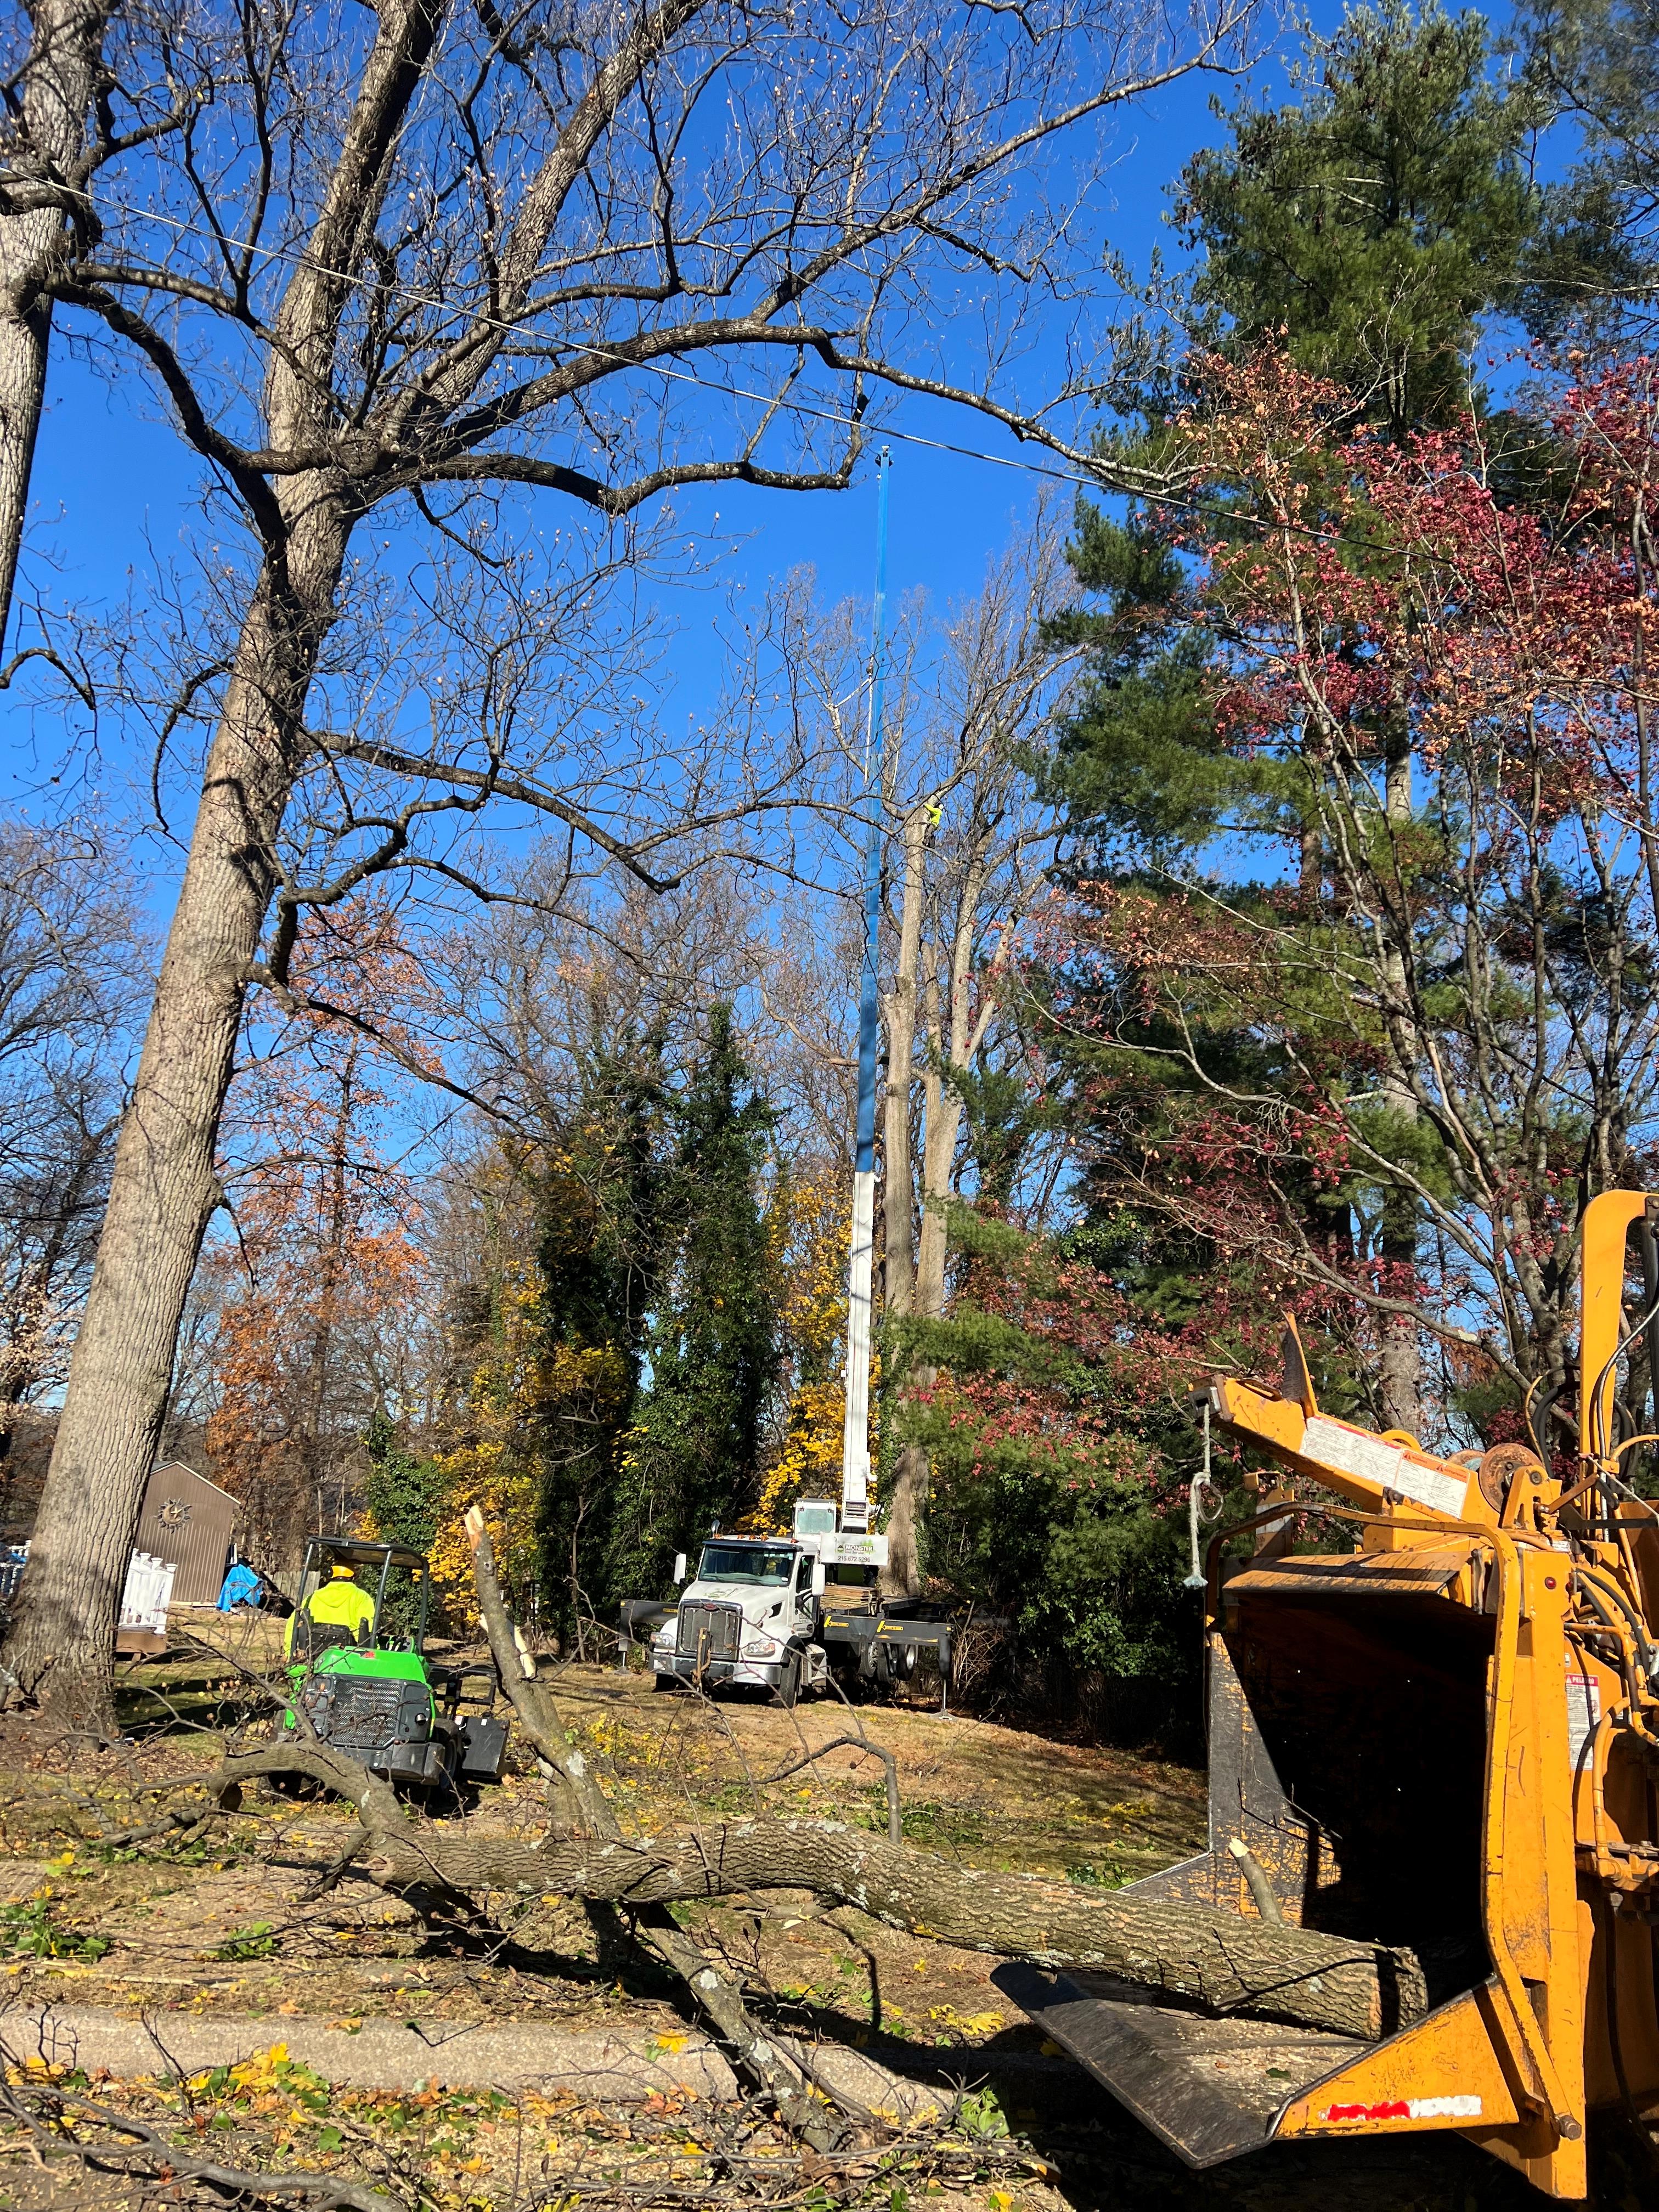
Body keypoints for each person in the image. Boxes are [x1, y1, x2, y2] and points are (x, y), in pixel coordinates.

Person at [284, 1561, 375, 1657]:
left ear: (330, 1574)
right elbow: (368, 1631)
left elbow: (293, 1625)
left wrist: (290, 1652)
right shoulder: (362, 1597)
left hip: (313, 1656)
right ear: (353, 1577)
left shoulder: (312, 1598)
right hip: (348, 1657)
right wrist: (374, 1652)